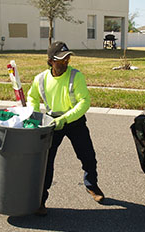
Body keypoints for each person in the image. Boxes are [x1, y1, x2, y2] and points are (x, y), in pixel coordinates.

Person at [27, 41, 104, 216]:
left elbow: (84, 102)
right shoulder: (40, 79)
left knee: (88, 156)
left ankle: (92, 186)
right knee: (46, 163)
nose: (64, 63)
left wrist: (65, 119)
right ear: (50, 61)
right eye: (60, 60)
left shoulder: (76, 76)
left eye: (67, 59)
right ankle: (40, 200)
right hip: (52, 123)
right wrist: (34, 114)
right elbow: (32, 97)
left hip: (74, 121)